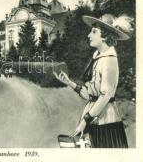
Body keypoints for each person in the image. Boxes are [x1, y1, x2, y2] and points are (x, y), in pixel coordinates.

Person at [54, 14, 132, 148]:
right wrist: (69, 83)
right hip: (93, 117)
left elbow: (105, 96)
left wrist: (86, 120)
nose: (89, 35)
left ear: (105, 36)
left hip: (106, 120)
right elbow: (89, 95)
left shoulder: (109, 59)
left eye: (94, 31)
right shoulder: (98, 58)